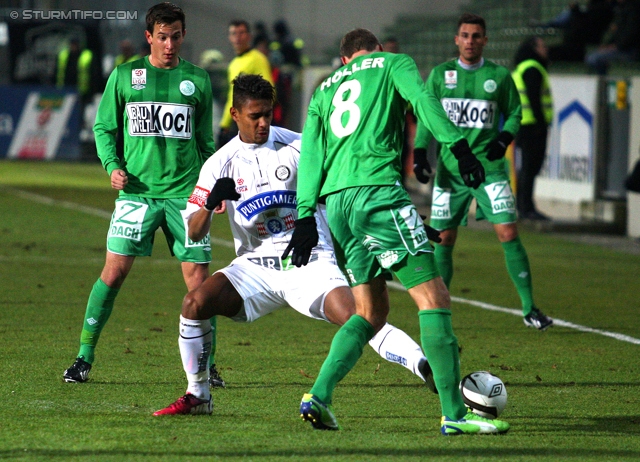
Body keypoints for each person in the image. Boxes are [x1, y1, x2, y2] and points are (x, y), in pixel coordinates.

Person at [153, 74, 436, 416]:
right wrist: (211, 203)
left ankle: (423, 366)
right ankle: (198, 396)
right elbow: (194, 233)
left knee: (357, 316)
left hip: (310, 260)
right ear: (235, 114)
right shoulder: (219, 164)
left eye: (268, 114)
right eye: (254, 115)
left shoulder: (299, 147)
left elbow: (348, 186)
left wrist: (392, 213)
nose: (263, 123)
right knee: (195, 303)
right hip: (256, 267)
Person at [284, 28, 508, 435]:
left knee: (370, 312)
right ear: (377, 50)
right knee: (433, 296)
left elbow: (312, 152)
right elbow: (424, 101)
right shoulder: (393, 63)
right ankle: (455, 415)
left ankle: (318, 395)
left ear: (344, 58)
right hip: (378, 193)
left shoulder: (324, 89)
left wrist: (303, 216)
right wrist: (457, 146)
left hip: (337, 207)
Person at [62, 2, 226, 388]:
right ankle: (84, 357)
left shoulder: (197, 80)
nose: (170, 44)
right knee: (113, 273)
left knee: (199, 285)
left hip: (186, 197)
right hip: (136, 195)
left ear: (183, 36)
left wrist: (212, 188)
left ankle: (208, 366)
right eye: (163, 37)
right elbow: (104, 128)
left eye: (177, 36)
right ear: (149, 37)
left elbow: (206, 143)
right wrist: (112, 166)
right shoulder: (124, 76)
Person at [413, 14, 553, 332]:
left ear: (485, 41)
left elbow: (515, 112)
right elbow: (426, 117)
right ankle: (437, 310)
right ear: (456, 40)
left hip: (490, 170)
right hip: (450, 170)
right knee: (443, 238)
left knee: (507, 231)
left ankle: (530, 308)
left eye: (477, 36)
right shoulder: (440, 75)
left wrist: (504, 138)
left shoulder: (499, 76)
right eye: (465, 35)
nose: (470, 41)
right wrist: (421, 152)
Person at [512, 36, 554, 221]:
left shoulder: (521, 67)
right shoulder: (532, 68)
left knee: (526, 168)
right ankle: (527, 207)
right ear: (534, 48)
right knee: (531, 167)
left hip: (523, 124)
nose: (545, 49)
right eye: (542, 45)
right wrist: (540, 123)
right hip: (532, 126)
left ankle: (523, 206)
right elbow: (534, 97)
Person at [218, 20, 273, 148]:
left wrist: (258, 115)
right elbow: (231, 97)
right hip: (236, 120)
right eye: (234, 33)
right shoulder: (233, 64)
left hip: (250, 119)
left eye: (241, 33)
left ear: (249, 36)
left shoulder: (258, 59)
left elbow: (269, 90)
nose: (237, 37)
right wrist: (224, 124)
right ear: (229, 37)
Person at [547, 0, 614, 62]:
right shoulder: (600, 6)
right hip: (581, 38)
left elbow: (590, 20)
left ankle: (548, 25)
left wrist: (576, 10)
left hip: (584, 37)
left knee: (570, 16)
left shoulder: (602, 8)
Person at [585, 0, 640, 74]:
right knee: (591, 56)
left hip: (630, 51)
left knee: (594, 58)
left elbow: (631, 34)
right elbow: (617, 34)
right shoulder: (622, 9)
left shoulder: (633, 10)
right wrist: (607, 45)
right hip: (621, 48)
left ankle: (603, 81)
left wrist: (616, 46)